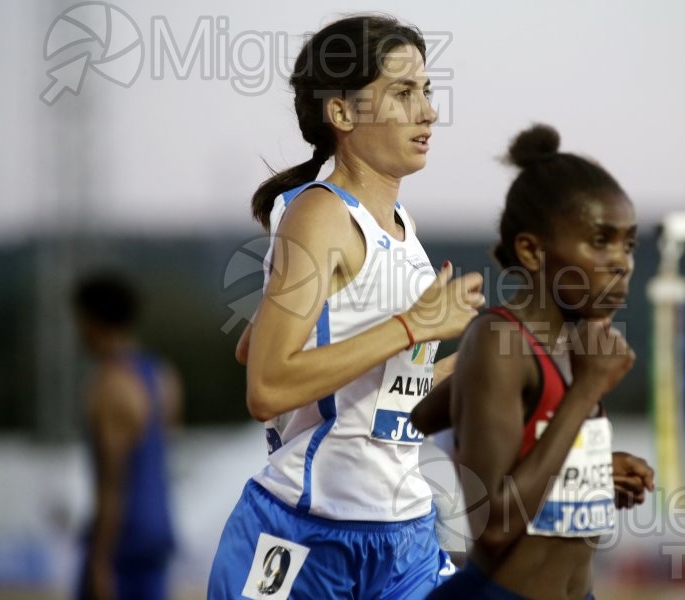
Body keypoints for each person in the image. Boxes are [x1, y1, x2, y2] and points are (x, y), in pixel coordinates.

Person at [207, 15, 484, 599]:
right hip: (302, 535)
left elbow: (383, 402)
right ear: (342, 114)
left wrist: (477, 367)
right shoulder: (322, 214)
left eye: (427, 91)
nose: (428, 111)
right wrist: (413, 325)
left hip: (404, 536)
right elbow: (267, 388)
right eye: (403, 93)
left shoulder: (403, 228)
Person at [414, 124, 655, 600]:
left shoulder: (571, 344)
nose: (622, 262)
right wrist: (587, 390)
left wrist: (594, 472)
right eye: (600, 240)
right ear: (531, 250)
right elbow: (494, 523)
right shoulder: (498, 340)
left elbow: (428, 415)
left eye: (628, 244)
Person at [72, 273, 182, 600]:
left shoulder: (108, 386)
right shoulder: (163, 375)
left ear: (92, 321)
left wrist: (100, 559)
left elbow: (112, 480)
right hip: (158, 528)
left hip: (122, 541)